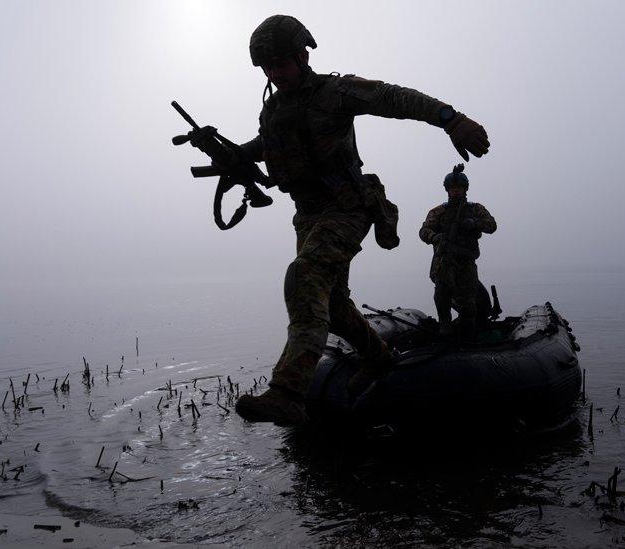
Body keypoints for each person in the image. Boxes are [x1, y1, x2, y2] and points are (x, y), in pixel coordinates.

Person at [206, 15, 490, 426]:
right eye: (267, 68)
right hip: (308, 217)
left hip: (348, 207)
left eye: (281, 64)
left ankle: (287, 391)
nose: (274, 74)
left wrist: (452, 119)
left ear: (303, 56)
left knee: (305, 274)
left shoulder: (336, 91)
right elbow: (267, 146)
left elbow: (394, 97)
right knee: (334, 306)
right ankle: (378, 360)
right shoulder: (273, 110)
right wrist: (235, 155)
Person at [419, 164, 497, 339]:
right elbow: (423, 231)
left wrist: (474, 223)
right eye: (452, 188)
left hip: (466, 263)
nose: (455, 192)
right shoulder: (438, 211)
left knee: (468, 305)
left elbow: (492, 225)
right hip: (444, 262)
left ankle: (468, 335)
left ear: (465, 189)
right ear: (447, 190)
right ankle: (445, 331)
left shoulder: (476, 209)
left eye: (459, 188)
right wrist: (434, 237)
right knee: (442, 297)